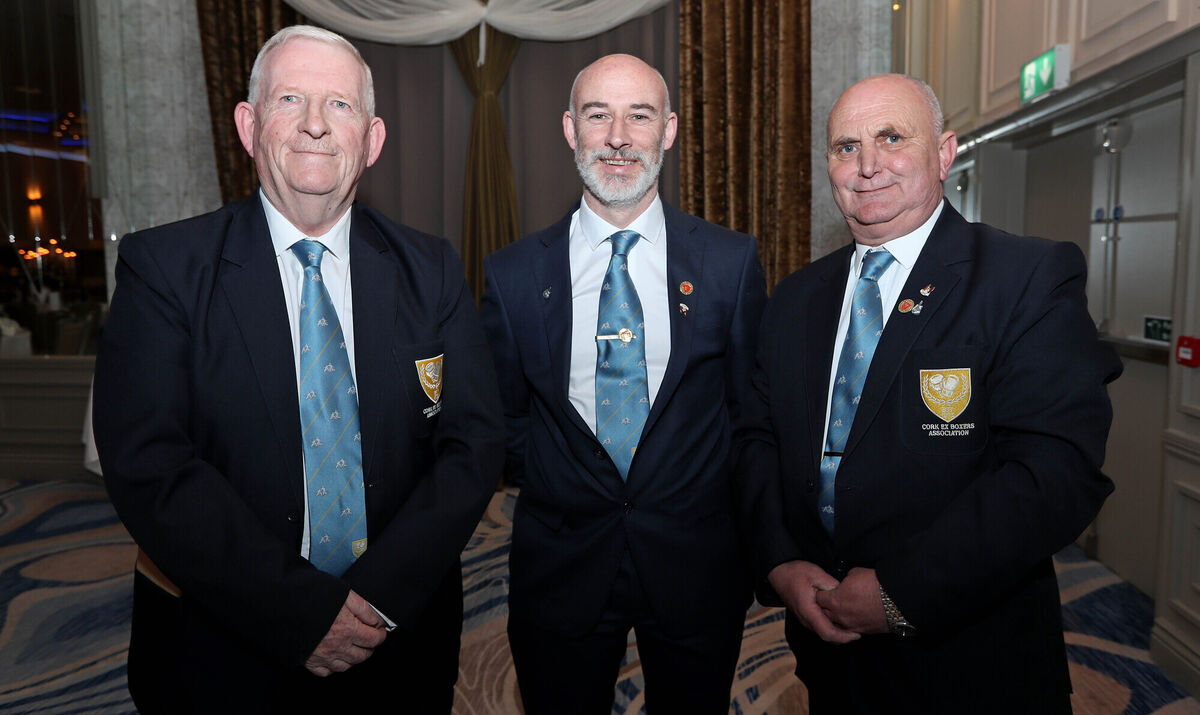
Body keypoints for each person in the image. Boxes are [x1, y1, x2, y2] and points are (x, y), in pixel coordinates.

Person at [92, 25, 503, 713]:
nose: (315, 124)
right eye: (291, 99)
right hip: (223, 648)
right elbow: (150, 464)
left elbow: (474, 444)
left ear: (371, 140)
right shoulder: (162, 268)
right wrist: (300, 610)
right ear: (250, 127)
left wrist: (374, 599)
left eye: (339, 105)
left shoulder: (430, 268)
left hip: (397, 639)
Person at [736, 73, 1122, 714]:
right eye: (844, 146)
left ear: (944, 153)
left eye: (891, 137)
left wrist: (899, 591)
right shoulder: (795, 298)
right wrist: (780, 561)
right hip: (827, 651)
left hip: (970, 660)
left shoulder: (1026, 278)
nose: (866, 166)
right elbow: (756, 438)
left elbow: (1055, 474)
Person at [479, 54, 767, 714]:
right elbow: (506, 422)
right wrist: (572, 479)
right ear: (569, 129)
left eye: (638, 116)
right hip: (562, 565)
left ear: (667, 131)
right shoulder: (512, 275)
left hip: (697, 564)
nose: (617, 137)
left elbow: (748, 413)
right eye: (597, 115)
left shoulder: (730, 263)